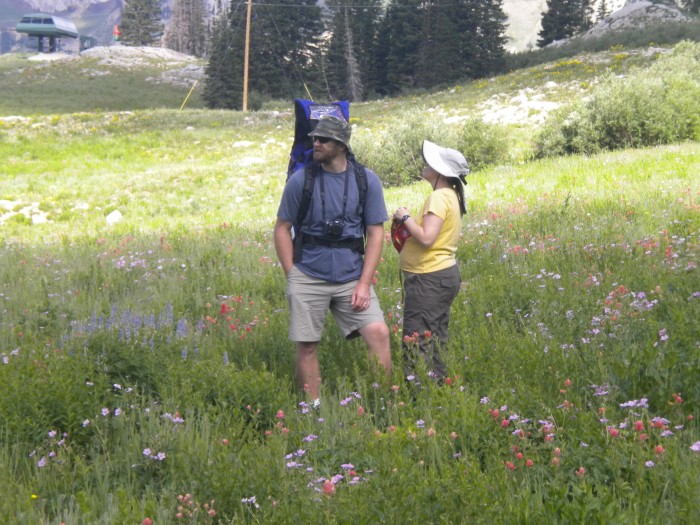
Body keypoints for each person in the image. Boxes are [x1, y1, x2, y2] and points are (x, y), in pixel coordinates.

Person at [274, 115, 392, 403]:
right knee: (308, 345)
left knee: (378, 332)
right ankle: (314, 410)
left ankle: (383, 401)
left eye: (323, 140)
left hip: (351, 276)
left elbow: (376, 234)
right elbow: (281, 229)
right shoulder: (301, 180)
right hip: (308, 274)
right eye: (314, 138)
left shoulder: (367, 181)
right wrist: (293, 275)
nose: (316, 143)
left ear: (341, 144)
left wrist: (364, 284)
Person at [392, 140, 469, 384]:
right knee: (435, 336)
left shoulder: (438, 197)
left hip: (429, 278)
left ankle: (417, 397)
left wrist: (404, 217)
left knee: (416, 339)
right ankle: (438, 386)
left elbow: (426, 238)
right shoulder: (450, 196)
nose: (426, 164)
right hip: (442, 275)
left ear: (440, 172)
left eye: (430, 163)